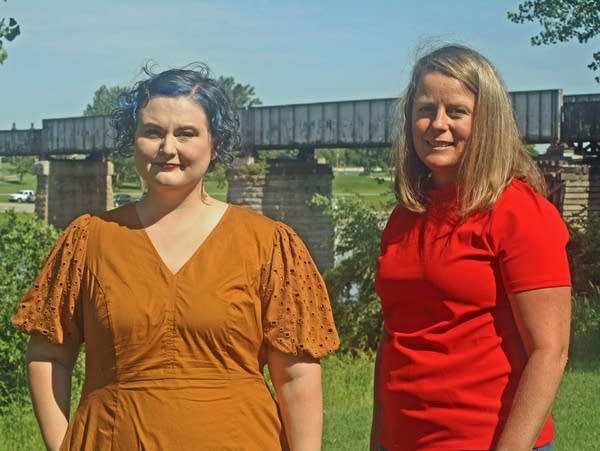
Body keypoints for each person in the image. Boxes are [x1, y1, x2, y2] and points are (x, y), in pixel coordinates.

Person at [13, 63, 339, 451]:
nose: (168, 148)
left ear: (214, 144)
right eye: (152, 132)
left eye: (186, 133)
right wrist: (62, 445)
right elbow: (49, 354)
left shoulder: (269, 244)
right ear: (132, 140)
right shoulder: (88, 240)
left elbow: (296, 377)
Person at [371, 44, 571, 451]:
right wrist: (379, 439)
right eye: (425, 109)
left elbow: (550, 351)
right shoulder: (405, 215)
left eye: (456, 111)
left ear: (486, 121)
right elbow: (394, 335)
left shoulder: (519, 212)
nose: (437, 124)